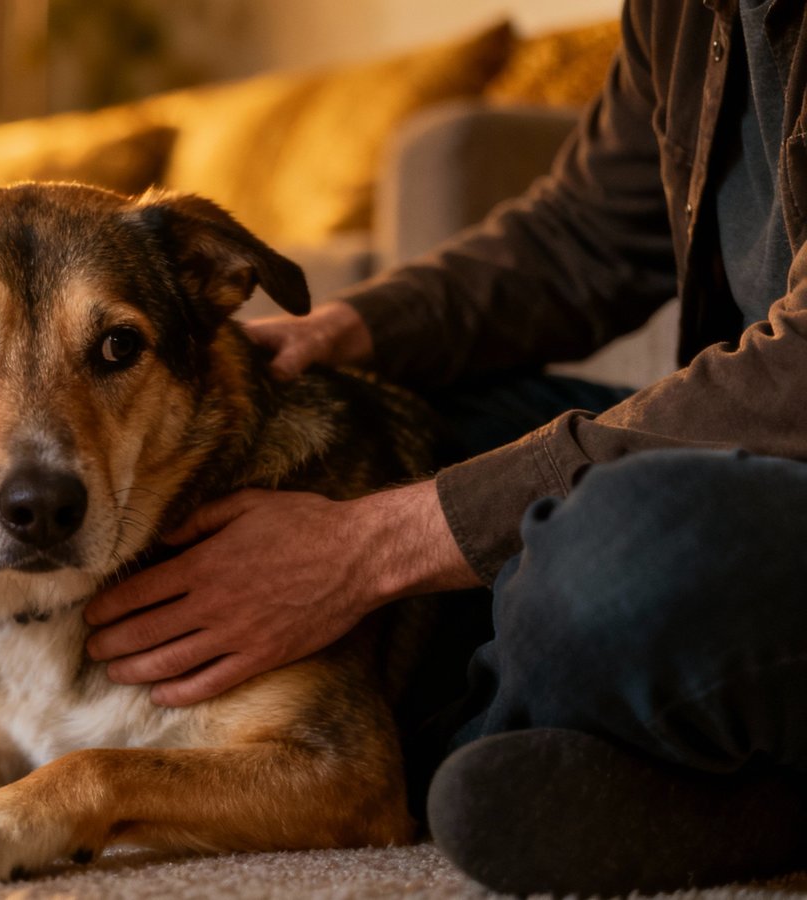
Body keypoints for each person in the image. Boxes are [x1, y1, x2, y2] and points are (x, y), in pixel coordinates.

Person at [82, 0, 807, 894]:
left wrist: (373, 546)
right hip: (749, 457)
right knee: (386, 424)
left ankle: (397, 763)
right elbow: (586, 238)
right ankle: (603, 733)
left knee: (611, 548)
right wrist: (349, 335)